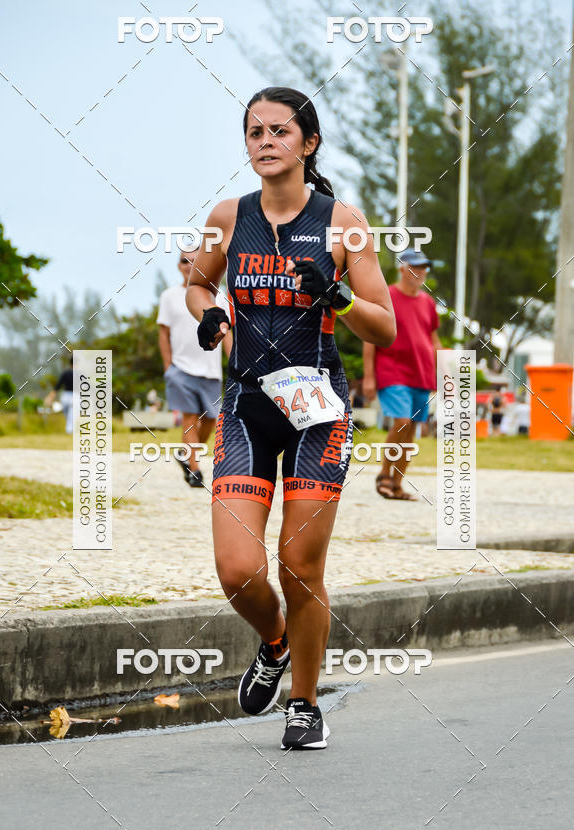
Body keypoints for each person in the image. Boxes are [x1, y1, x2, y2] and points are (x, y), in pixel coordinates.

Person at [186, 86, 395, 750]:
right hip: (248, 407)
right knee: (237, 570)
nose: (266, 141)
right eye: (254, 132)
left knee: (299, 564)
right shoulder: (228, 216)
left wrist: (335, 294)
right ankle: (273, 642)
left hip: (318, 412)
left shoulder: (344, 223)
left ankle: (303, 703)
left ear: (307, 143)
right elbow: (196, 280)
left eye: (280, 130)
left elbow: (384, 327)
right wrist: (209, 313)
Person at [363, 248, 443, 500]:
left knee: (412, 429)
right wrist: (368, 377)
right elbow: (369, 337)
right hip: (392, 370)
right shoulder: (387, 296)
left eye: (423, 268)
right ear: (401, 268)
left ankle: (397, 485)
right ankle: (384, 476)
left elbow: (434, 341)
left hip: (422, 373)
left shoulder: (428, 303)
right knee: (401, 421)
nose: (419, 272)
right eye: (414, 267)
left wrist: (445, 371)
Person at [158, 249, 232, 487]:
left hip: (210, 370)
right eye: (184, 261)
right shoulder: (169, 296)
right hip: (181, 369)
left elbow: (226, 332)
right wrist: (168, 366)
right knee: (190, 418)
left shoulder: (220, 297)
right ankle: (195, 470)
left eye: (195, 261)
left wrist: (235, 362)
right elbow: (164, 333)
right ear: (178, 266)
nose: (189, 265)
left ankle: (185, 454)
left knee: (211, 419)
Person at [44, 357, 74, 434]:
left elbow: (57, 387)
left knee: (68, 414)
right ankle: (70, 430)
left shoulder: (65, 373)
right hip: (75, 396)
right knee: (72, 414)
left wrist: (49, 398)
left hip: (65, 396)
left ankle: (69, 430)